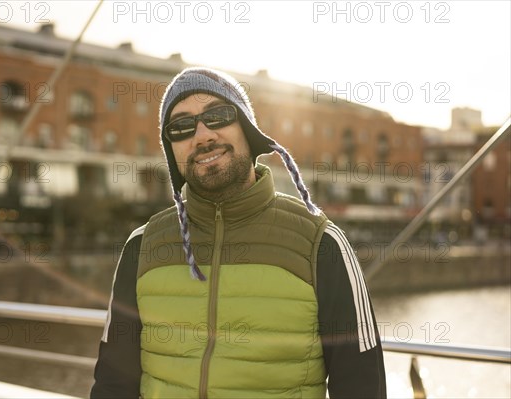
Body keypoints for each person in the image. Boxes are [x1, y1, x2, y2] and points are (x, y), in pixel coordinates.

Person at [91, 67, 386, 398]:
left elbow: (362, 385)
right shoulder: (142, 246)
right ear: (172, 151)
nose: (202, 136)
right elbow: (113, 383)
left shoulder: (321, 242)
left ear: (247, 128)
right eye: (181, 127)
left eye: (217, 115)